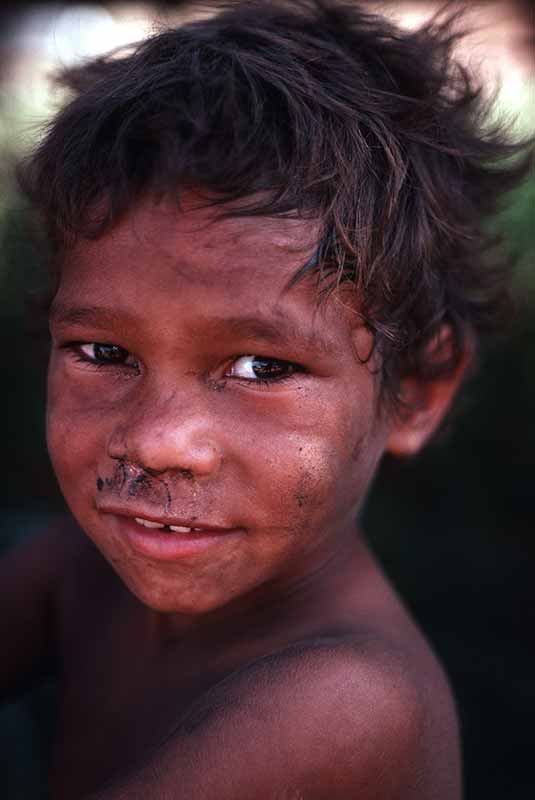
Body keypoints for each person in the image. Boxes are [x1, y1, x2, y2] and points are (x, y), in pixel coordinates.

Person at [2, 1, 531, 797]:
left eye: (260, 367)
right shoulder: (79, 572)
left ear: (415, 392)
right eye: (105, 353)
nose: (157, 441)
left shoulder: (340, 704)